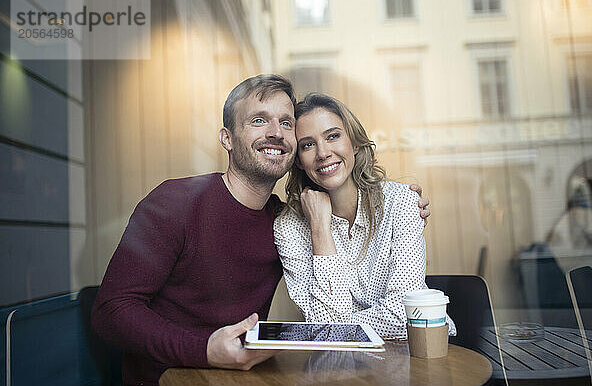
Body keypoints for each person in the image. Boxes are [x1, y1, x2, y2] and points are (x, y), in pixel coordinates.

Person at [91, 75, 431, 386]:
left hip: (246, 378)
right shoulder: (175, 203)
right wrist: (204, 350)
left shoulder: (282, 221)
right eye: (258, 120)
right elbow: (110, 311)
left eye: (285, 123)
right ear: (227, 138)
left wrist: (397, 207)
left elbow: (341, 313)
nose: (276, 133)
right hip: (169, 379)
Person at [274, 93, 455, 339]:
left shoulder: (401, 202)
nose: (323, 153)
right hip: (340, 366)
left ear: (355, 143)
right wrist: (320, 231)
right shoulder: (290, 227)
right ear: (298, 161)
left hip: (417, 351)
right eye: (308, 144)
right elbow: (324, 327)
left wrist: (339, 327)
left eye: (333, 136)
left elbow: (404, 315)